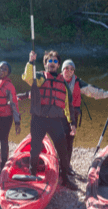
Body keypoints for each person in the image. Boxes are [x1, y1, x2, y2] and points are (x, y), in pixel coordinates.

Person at [22, 50, 78, 191]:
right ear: (45, 64)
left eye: (54, 61)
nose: (52, 64)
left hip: (55, 121)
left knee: (63, 150)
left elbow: (68, 105)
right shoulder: (40, 77)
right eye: (49, 61)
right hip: (38, 119)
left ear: (58, 64)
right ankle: (32, 174)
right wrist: (31, 62)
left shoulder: (63, 83)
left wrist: (72, 123)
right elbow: (28, 77)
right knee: (35, 149)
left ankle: (65, 178)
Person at [60, 59, 108, 175]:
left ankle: (66, 166)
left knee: (69, 140)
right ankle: (58, 165)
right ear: (62, 70)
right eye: (66, 68)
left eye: (71, 69)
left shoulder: (78, 82)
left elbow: (93, 91)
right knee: (58, 140)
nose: (69, 71)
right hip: (58, 114)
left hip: (73, 114)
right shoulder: (55, 80)